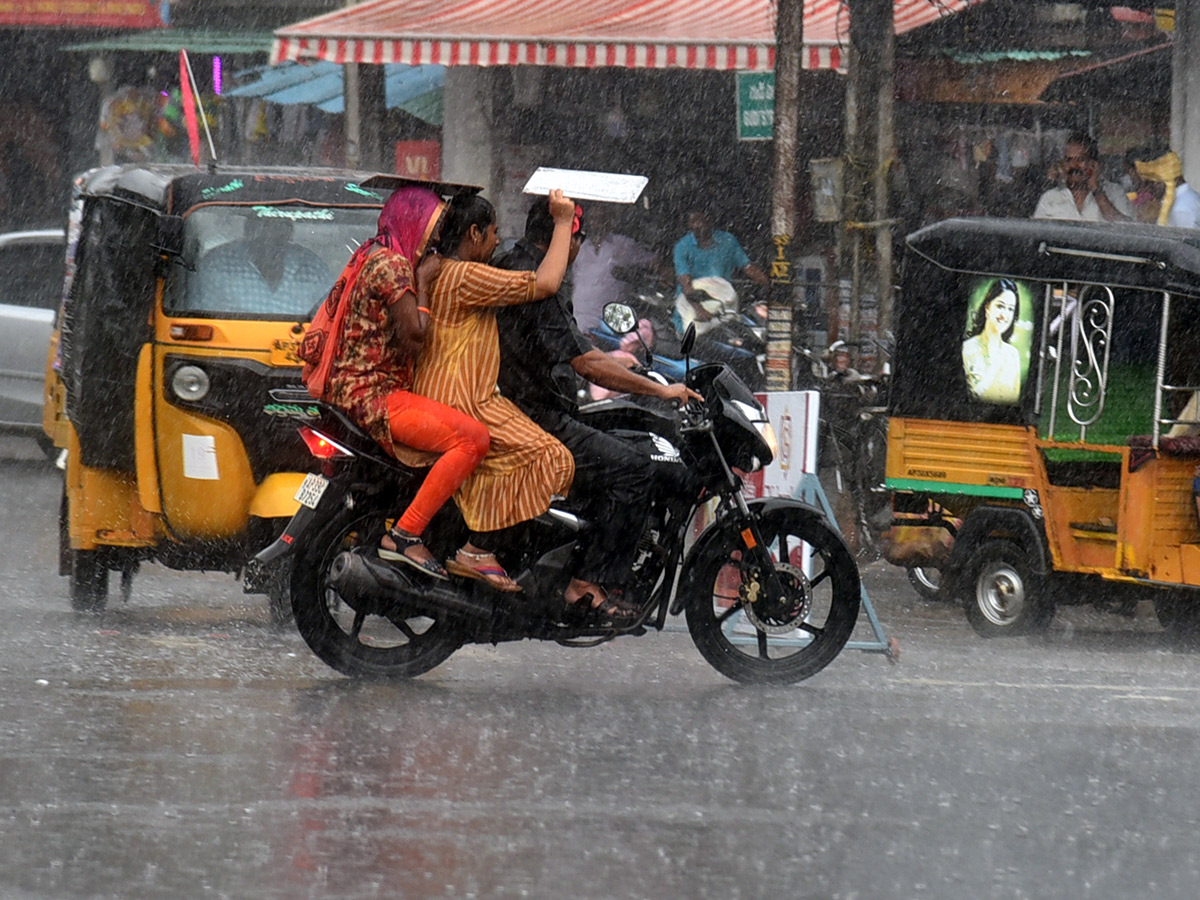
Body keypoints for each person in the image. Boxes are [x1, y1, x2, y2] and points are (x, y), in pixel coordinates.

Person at [494, 199, 702, 622]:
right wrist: (659, 392)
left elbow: (578, 348)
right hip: (536, 416)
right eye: (576, 238)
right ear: (562, 237)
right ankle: (585, 583)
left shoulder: (516, 264)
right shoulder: (539, 282)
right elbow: (584, 363)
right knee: (634, 468)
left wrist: (622, 365)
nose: (578, 247)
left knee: (615, 439)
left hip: (522, 405)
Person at [298, 185, 490, 582]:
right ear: (413, 222)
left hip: (348, 392)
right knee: (473, 439)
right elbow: (416, 336)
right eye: (434, 229)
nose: (437, 241)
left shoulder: (370, 253)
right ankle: (406, 534)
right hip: (374, 397)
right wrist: (422, 279)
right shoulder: (396, 266)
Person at [412, 189, 577, 595]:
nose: (498, 241)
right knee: (553, 457)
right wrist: (563, 221)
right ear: (472, 233)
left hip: (440, 394)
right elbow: (546, 282)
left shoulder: (439, 271)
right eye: (493, 233)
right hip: (465, 400)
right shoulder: (465, 275)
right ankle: (478, 548)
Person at [191, 214, 332, 315]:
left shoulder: (312, 268)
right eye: (264, 228)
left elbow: (333, 317)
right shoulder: (218, 264)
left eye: (279, 229)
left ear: (289, 233)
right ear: (249, 230)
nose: (270, 237)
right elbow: (198, 317)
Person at [569, 204, 667, 333]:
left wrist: (666, 279)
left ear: (609, 220)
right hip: (579, 320)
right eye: (593, 218)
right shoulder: (580, 248)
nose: (596, 222)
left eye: (601, 218)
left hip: (609, 324)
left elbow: (653, 262)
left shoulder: (622, 245)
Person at [672, 209, 769, 332]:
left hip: (723, 309)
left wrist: (771, 286)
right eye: (693, 222)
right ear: (688, 225)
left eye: (700, 220)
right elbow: (685, 283)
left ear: (710, 220)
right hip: (692, 311)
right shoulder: (682, 247)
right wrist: (699, 309)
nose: (697, 225)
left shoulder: (728, 241)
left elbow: (748, 268)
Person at [1031, 132, 1132, 223]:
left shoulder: (1115, 192)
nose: (1074, 166)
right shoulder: (1050, 198)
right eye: (1069, 160)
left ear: (1094, 163)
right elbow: (1038, 235)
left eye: (1080, 159)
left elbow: (1127, 229)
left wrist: (1096, 190)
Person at [962, 279, 1023, 404]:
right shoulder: (967, 349)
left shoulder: (1012, 354)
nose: (1004, 315)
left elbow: (1014, 401)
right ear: (987, 308)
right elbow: (969, 397)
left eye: (1010, 309)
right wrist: (994, 368)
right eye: (1000, 306)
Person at [1135, 149, 1200, 229]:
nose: (1149, 189)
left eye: (1151, 183)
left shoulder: (1180, 209)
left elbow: (1188, 240)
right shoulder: (1189, 195)